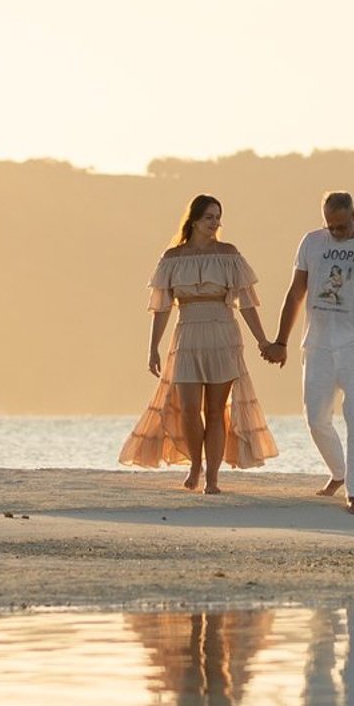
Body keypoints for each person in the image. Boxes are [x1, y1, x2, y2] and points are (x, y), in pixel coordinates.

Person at [119, 193, 279, 494]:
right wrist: (152, 347)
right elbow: (162, 308)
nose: (215, 223)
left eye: (218, 217)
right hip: (187, 335)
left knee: (216, 410)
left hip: (222, 335)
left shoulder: (229, 254)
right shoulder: (172, 259)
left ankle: (213, 478)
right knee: (190, 409)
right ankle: (195, 465)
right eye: (209, 217)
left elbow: (246, 304)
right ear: (194, 220)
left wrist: (263, 341)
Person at [266, 190, 354, 515]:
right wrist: (281, 341)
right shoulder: (312, 242)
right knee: (315, 418)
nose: (336, 233)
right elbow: (296, 292)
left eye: (341, 226)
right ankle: (339, 473)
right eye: (330, 227)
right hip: (318, 344)